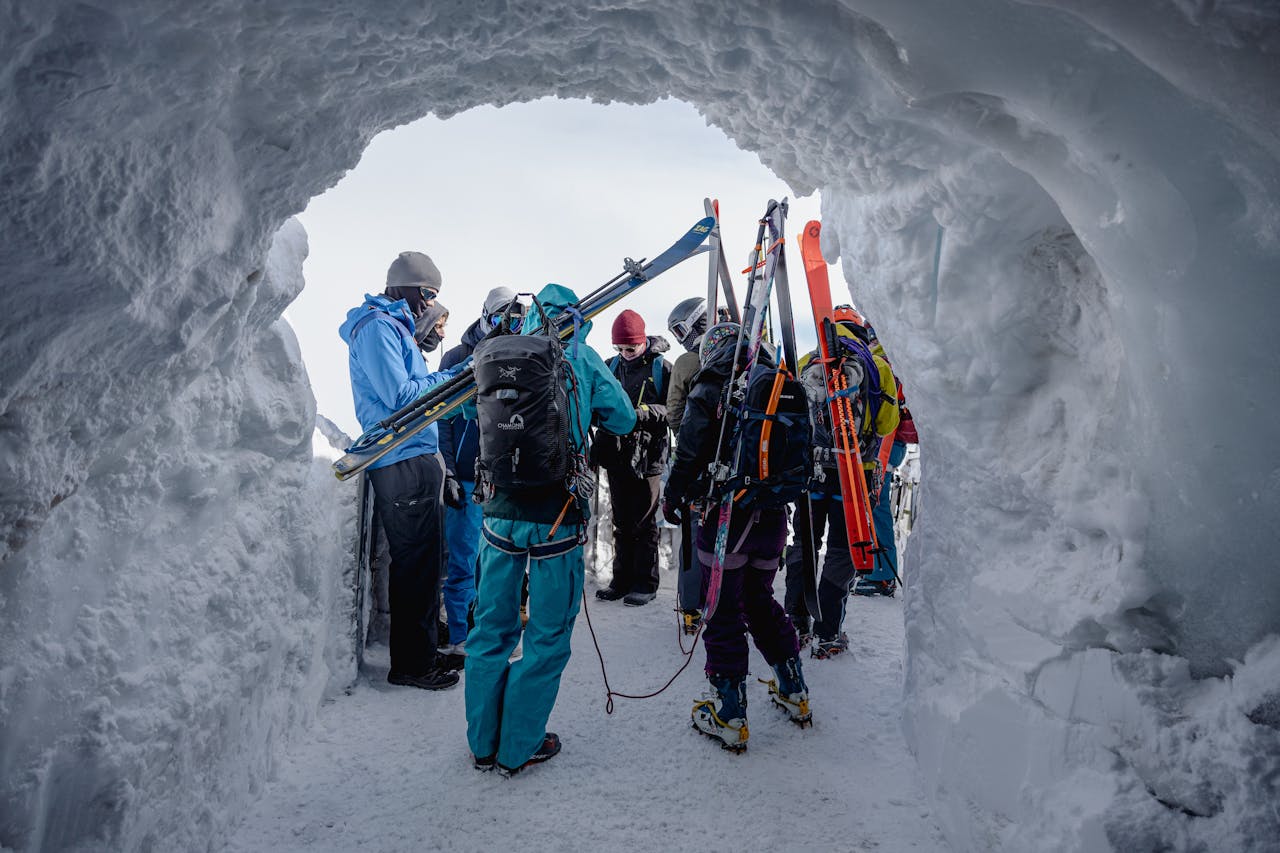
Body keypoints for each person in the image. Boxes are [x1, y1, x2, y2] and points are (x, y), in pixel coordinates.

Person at [464, 283, 635, 776]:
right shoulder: (579, 356)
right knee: (547, 633)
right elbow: (622, 419)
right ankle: (518, 746)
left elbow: (462, 408)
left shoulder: (497, 352)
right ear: (577, 316)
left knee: (491, 628)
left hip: (498, 511)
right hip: (555, 515)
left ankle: (483, 743)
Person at [662, 322, 811, 752]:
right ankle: (793, 688)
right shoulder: (779, 381)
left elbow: (689, 448)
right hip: (772, 516)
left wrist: (674, 496)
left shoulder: (714, 384)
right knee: (760, 601)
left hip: (729, 516)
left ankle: (728, 712)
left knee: (722, 608)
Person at [338, 250, 466, 690]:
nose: (430, 305)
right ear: (409, 288)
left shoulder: (396, 329)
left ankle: (424, 650)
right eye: (428, 294)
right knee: (414, 564)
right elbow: (401, 397)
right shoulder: (376, 328)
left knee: (428, 562)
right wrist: (458, 375)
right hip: (398, 458)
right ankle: (411, 665)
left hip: (415, 454)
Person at [784, 307, 898, 656]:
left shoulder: (807, 359)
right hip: (853, 476)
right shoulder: (877, 367)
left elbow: (792, 414)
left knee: (804, 544)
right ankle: (828, 633)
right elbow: (886, 423)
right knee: (841, 551)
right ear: (859, 331)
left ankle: (795, 623)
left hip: (812, 473)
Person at [436, 287, 518, 657]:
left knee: (497, 561)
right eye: (502, 316)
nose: (507, 325)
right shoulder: (457, 357)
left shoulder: (517, 358)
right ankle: (458, 634)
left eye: (514, 318)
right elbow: (442, 421)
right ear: (486, 315)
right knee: (464, 558)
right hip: (468, 478)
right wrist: (449, 472)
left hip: (500, 479)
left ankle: (489, 634)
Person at [592, 309, 672, 607]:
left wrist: (644, 413)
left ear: (643, 342)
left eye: (631, 347)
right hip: (617, 453)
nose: (625, 353)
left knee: (644, 520)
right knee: (621, 520)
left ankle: (645, 583)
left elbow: (674, 408)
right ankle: (621, 580)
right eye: (620, 348)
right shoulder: (610, 366)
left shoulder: (662, 368)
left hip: (649, 453)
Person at [665, 297, 710, 632]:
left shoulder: (686, 362)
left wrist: (688, 437)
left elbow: (675, 412)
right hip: (741, 462)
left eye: (681, 330)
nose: (681, 338)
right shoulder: (748, 349)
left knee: (694, 535)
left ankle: (692, 606)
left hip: (698, 464)